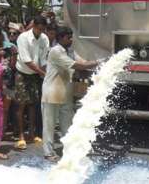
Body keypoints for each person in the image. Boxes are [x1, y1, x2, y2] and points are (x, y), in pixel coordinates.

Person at [41, 26, 99, 162]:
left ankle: (69, 148)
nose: (71, 40)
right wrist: (99, 62)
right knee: (49, 125)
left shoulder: (70, 51)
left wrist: (96, 65)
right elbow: (78, 66)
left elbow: (82, 62)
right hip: (52, 92)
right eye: (69, 37)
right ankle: (48, 152)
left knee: (67, 124)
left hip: (65, 92)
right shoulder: (56, 51)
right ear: (60, 38)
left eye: (72, 36)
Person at [14, 15, 49, 149]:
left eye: (42, 29)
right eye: (39, 29)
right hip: (23, 73)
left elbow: (44, 59)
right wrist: (43, 73)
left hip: (36, 74)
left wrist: (45, 73)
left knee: (33, 104)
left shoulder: (44, 39)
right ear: (33, 26)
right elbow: (26, 60)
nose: (40, 31)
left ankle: (32, 134)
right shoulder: (23, 38)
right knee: (21, 105)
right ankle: (21, 136)